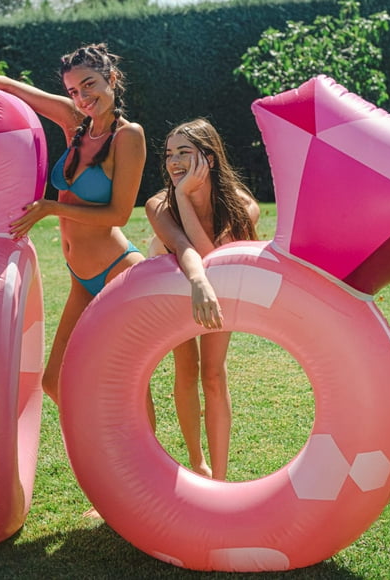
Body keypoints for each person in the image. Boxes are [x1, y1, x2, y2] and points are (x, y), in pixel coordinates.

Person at [0, 44, 151, 414]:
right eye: (73, 91)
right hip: (81, 278)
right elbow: (13, 88)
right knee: (54, 380)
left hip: (118, 273)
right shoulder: (76, 123)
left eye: (89, 85)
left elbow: (119, 214)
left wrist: (52, 208)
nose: (82, 98)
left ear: (112, 79)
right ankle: (99, 439)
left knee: (128, 383)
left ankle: (135, 448)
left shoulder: (128, 136)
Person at [145, 118, 259, 480]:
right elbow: (182, 247)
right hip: (172, 281)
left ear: (209, 159)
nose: (174, 161)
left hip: (216, 286)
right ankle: (198, 463)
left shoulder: (242, 206)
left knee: (213, 373)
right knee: (187, 368)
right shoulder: (158, 204)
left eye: (184, 152)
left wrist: (184, 197)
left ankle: (221, 478)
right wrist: (180, 197)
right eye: (169, 154)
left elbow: (213, 259)